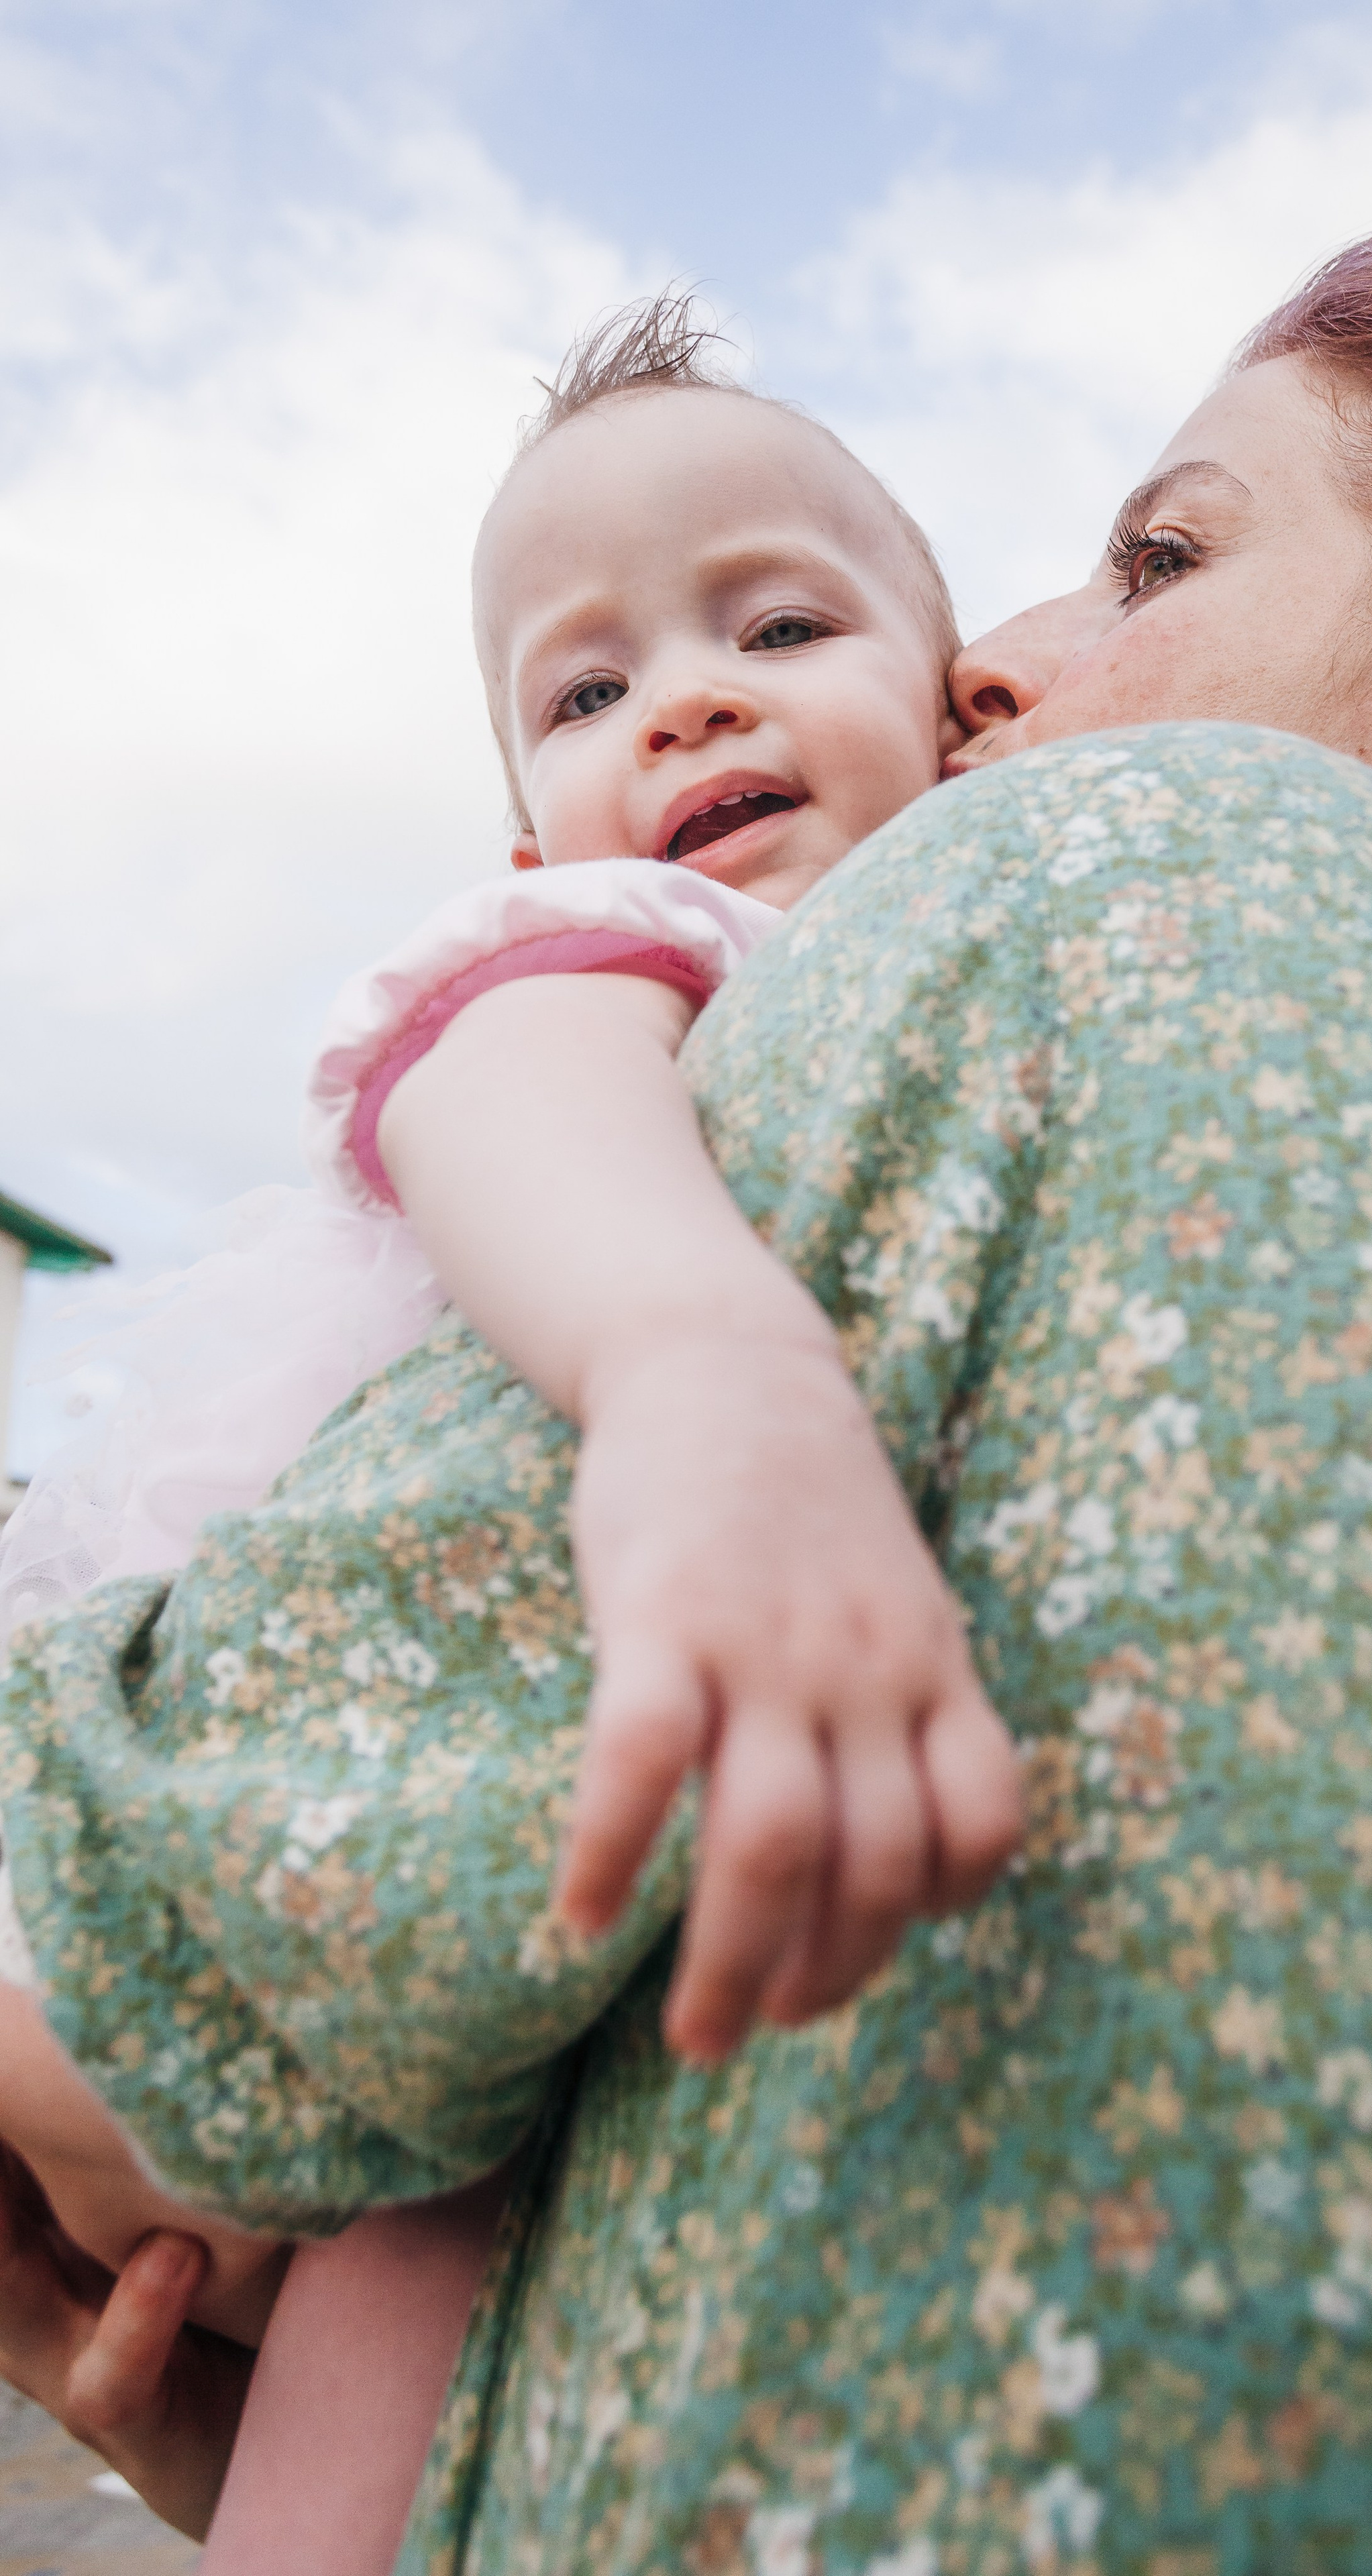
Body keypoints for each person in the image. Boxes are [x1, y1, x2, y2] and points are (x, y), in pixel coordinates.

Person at [5, 209, 1372, 2573]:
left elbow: (200, 1971)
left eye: (1152, 557)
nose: (1008, 681)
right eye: (582, 691)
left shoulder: (1110, 896)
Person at [0, 297, 1021, 2564]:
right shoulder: (627, 943)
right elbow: (508, 1082)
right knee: (391, 2204)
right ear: (526, 812)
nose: (687, 692)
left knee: (429, 2299)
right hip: (379, 1759)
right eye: (586, 689)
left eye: (780, 617)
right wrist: (698, 1361)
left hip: (562, 1842)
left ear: (965, 711)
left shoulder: (969, 947)